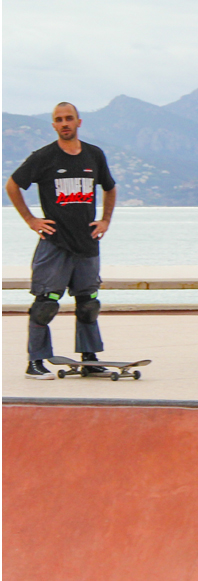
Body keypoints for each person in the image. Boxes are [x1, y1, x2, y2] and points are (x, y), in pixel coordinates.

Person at [6, 102, 116, 379]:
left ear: (79, 122)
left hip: (87, 242)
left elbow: (110, 187)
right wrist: (31, 220)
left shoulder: (94, 155)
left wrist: (105, 220)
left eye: (69, 118)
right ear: (53, 125)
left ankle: (89, 359)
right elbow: (12, 185)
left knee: (88, 302)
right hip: (55, 243)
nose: (64, 123)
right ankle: (36, 361)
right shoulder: (44, 157)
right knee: (46, 304)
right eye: (59, 119)